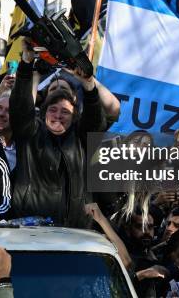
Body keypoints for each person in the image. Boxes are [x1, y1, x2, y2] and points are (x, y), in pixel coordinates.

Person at [9, 39, 107, 227]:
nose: (58, 116)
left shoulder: (81, 138)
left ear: (75, 116)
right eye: (53, 110)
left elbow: (96, 120)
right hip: (31, 227)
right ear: (43, 112)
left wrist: (88, 85)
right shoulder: (31, 133)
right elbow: (20, 107)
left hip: (74, 229)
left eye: (65, 112)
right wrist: (26, 62)